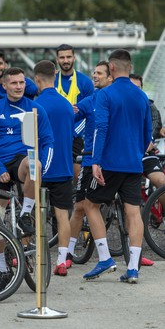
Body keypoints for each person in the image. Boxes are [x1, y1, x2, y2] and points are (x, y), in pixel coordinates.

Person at [81, 49, 152, 283]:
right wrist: (135, 153)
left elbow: (101, 129)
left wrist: (96, 161)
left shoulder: (105, 95)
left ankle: (105, 258)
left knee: (90, 205)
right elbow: (147, 135)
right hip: (133, 163)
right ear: (129, 67)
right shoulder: (141, 96)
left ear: (111, 68)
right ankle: (133, 268)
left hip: (109, 162)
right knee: (133, 212)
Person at [0, 67, 55, 236]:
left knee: (34, 165)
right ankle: (0, 262)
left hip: (21, 161)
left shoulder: (36, 109)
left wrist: (41, 169)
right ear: (5, 85)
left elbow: (48, 142)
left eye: (22, 82)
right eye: (14, 83)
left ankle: (25, 215)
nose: (19, 86)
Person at [68, 61, 113, 268]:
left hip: (111, 162)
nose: (95, 76)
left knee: (129, 208)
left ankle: (128, 258)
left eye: (100, 73)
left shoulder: (115, 98)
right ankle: (67, 253)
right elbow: (72, 116)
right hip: (90, 161)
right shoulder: (90, 100)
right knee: (79, 208)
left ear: (111, 77)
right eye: (93, 72)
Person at [33, 60, 74, 276]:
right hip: (64, 168)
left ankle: (26, 254)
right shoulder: (67, 105)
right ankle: (61, 260)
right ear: (55, 77)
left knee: (31, 212)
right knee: (62, 216)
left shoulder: (35, 106)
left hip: (40, 169)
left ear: (37, 79)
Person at [129, 74, 165, 222]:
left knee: (161, 181)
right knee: (128, 197)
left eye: (138, 88)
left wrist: (148, 139)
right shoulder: (118, 105)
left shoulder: (149, 106)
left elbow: (155, 123)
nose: (135, 92)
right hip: (126, 155)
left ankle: (164, 215)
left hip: (145, 153)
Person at [55, 44, 95, 180]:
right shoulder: (51, 81)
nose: (65, 60)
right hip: (55, 135)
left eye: (68, 57)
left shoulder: (85, 82)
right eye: (62, 57)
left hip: (76, 138)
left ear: (74, 58)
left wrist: (73, 132)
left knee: (78, 177)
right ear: (57, 60)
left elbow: (89, 113)